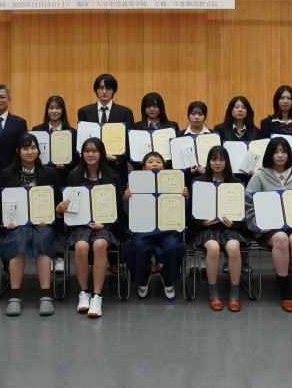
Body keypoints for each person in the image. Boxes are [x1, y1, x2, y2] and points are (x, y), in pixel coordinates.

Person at [56, 137, 123, 319]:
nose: (90, 154)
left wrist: (106, 224)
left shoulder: (113, 177)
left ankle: (97, 296)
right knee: (81, 247)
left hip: (105, 225)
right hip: (80, 224)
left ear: (101, 154)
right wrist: (61, 210)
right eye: (87, 151)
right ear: (81, 154)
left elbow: (118, 209)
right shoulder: (73, 176)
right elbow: (69, 207)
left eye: (94, 151)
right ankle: (84, 293)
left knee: (100, 245)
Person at [244, 138, 292, 313]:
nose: (280, 155)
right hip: (269, 227)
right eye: (276, 151)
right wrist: (258, 224)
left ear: (289, 154)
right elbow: (248, 203)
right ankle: (285, 290)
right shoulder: (260, 176)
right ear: (269, 154)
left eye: (284, 151)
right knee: (281, 238)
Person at [0, 133, 60, 316]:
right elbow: (1, 203)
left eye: (33, 148)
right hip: (17, 225)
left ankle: (45, 295)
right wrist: (7, 221)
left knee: (43, 238)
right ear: (18, 151)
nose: (30, 152)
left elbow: (57, 202)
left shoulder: (49, 173)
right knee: (18, 241)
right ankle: (14, 295)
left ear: (39, 150)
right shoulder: (7, 173)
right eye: (25, 148)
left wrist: (51, 216)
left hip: (43, 222)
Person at [122, 152, 187, 301]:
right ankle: (143, 280)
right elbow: (127, 211)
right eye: (150, 161)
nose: (155, 164)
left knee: (174, 246)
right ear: (143, 166)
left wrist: (184, 197)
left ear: (164, 166)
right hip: (143, 229)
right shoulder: (134, 182)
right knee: (136, 246)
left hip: (168, 229)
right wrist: (126, 199)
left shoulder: (175, 181)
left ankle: (168, 281)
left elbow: (184, 209)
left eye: (158, 161)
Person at [191, 146, 248, 312]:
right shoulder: (200, 182)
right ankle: (213, 292)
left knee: (234, 248)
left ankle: (234, 293)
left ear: (226, 162)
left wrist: (235, 224)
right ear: (208, 162)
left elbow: (243, 211)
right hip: (206, 229)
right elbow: (192, 213)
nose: (217, 163)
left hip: (230, 228)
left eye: (221, 159)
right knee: (213, 248)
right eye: (214, 159)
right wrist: (202, 222)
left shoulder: (236, 183)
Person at [31, 95, 76, 275]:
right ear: (47, 110)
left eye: (58, 108)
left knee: (61, 218)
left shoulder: (71, 132)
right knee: (46, 217)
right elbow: (31, 154)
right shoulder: (37, 130)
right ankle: (48, 255)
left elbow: (79, 159)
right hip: (43, 181)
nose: (54, 111)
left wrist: (67, 164)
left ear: (62, 111)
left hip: (64, 180)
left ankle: (59, 256)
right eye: (51, 108)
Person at [76, 73, 135, 183]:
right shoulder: (84, 112)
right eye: (101, 88)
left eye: (108, 88)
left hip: (116, 168)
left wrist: (117, 158)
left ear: (114, 91)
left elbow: (129, 141)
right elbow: (82, 140)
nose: (104, 92)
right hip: (90, 168)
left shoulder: (125, 112)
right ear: (96, 90)